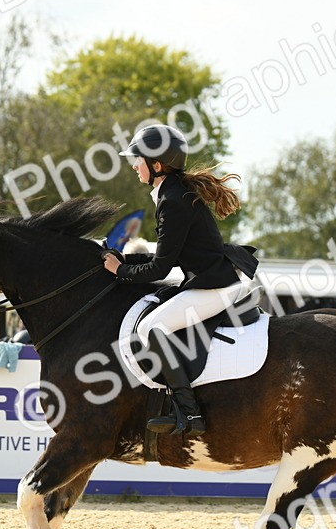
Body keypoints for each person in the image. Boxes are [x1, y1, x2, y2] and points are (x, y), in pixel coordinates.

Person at [104, 124, 259, 435]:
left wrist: (120, 272)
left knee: (151, 326)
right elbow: (170, 256)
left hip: (216, 286)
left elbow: (161, 269)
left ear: (157, 165)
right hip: (211, 279)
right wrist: (127, 260)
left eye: (139, 160)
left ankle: (189, 413)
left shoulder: (173, 200)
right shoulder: (174, 192)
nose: (135, 166)